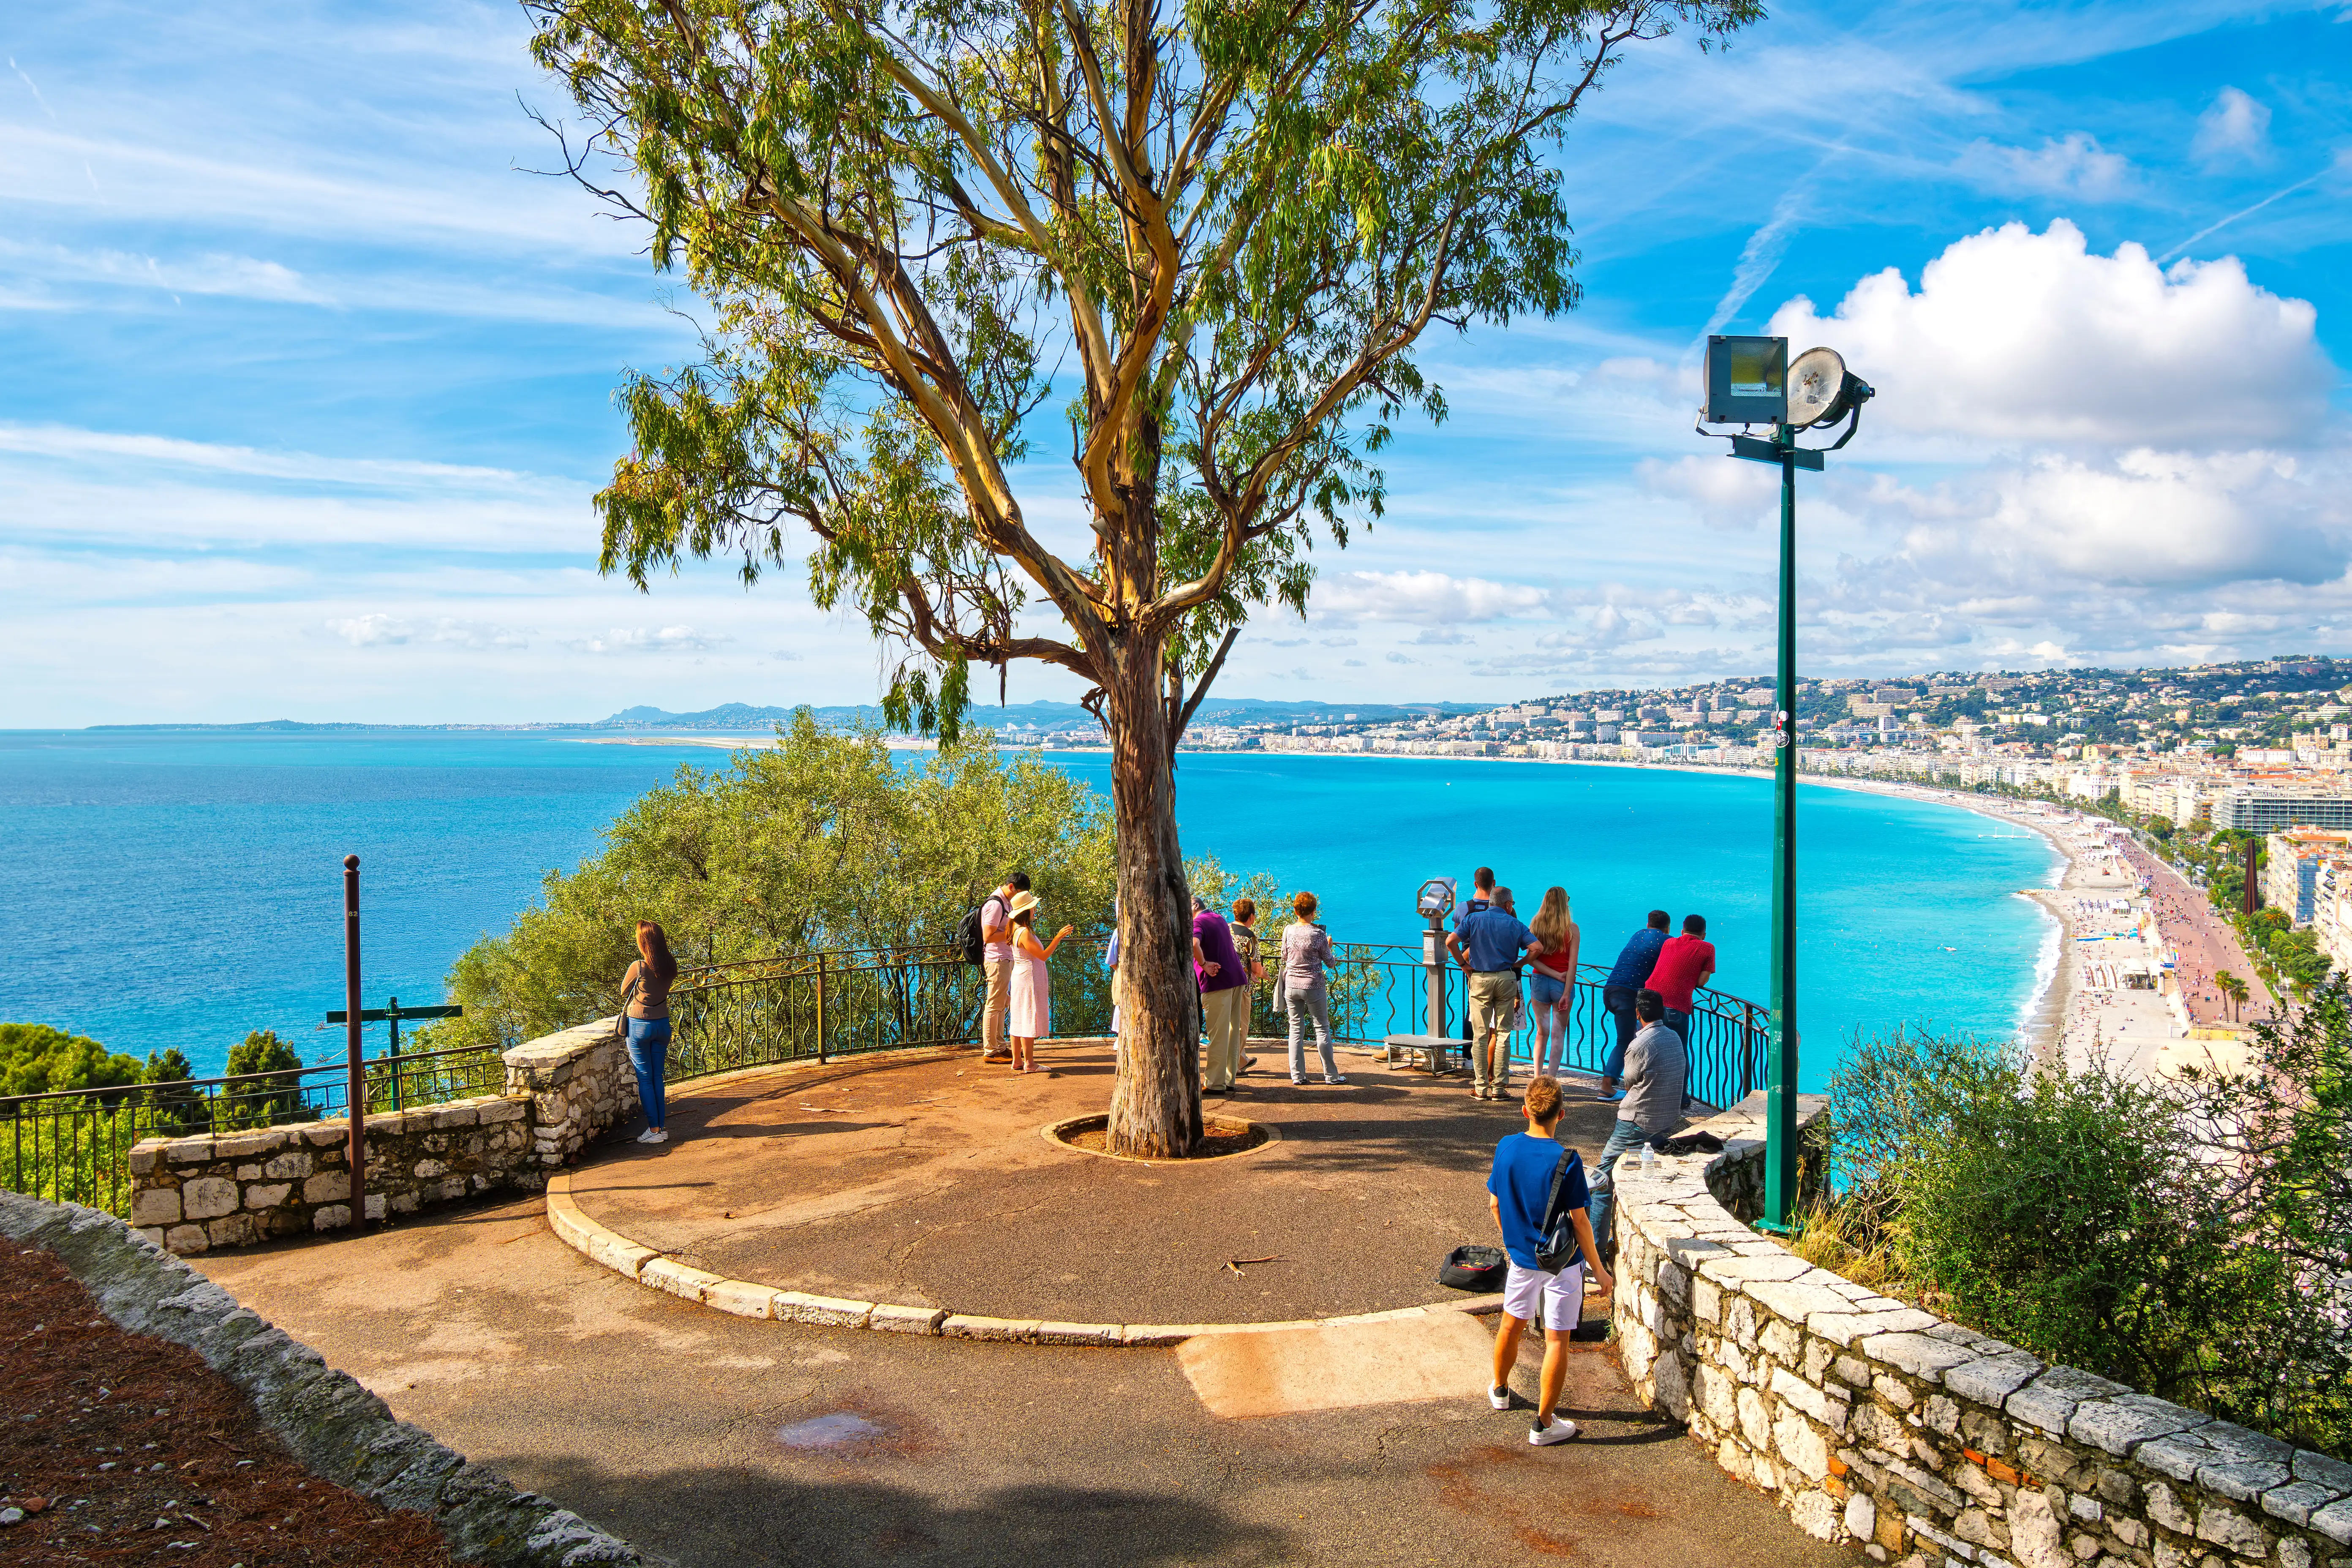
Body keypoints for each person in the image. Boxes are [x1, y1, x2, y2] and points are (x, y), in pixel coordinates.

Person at [1485, 1076, 1613, 1445]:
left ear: (1525, 1111)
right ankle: (1543, 1424)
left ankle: (1500, 1389)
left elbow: (1495, 1203)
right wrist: (1600, 1271)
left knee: (1512, 1324)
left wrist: (1512, 1244)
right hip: (1564, 1263)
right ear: (1562, 1114)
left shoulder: (1506, 1148)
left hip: (1524, 1259)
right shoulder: (1568, 1161)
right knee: (1557, 1340)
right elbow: (1581, 1222)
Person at [1585, 988, 1688, 1258]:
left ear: (1638, 1014)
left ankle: (1594, 1252)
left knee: (1601, 1180)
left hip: (1637, 1120)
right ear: (1663, 1011)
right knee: (1635, 1167)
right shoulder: (1674, 1038)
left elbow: (1630, 1082)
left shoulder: (1640, 1044)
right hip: (1664, 1119)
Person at [1448, 885, 1537, 1100]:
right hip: (1507, 978)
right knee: (1503, 1034)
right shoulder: (1516, 924)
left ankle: (1480, 1088)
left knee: (1480, 1035)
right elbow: (1537, 948)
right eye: (1513, 903)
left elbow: (1451, 942)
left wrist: (1463, 965)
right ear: (1508, 905)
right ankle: (1499, 1089)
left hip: (1479, 978)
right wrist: (1520, 964)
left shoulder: (1473, 920)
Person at [1598, 912, 1669, 1099]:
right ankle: (1607, 1086)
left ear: (1648, 924)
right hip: (1628, 994)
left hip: (1611, 989)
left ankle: (1631, 1083)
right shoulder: (1667, 941)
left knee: (1635, 1037)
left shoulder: (1638, 934)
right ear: (1668, 928)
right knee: (1626, 1041)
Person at [620, 919, 678, 1145]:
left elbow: (624, 990)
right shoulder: (670, 965)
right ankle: (661, 1128)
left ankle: (654, 1130)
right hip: (663, 1024)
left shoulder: (640, 966)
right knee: (658, 1077)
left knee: (645, 1078)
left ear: (643, 942)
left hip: (640, 1026)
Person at [1279, 891, 1346, 1085]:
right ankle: (1331, 1076)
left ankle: (1298, 1077)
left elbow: (1284, 956)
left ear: (1295, 910)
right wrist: (1329, 945)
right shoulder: (1318, 934)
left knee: (1295, 1029)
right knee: (1322, 1029)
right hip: (1314, 985)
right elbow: (1331, 962)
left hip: (1291, 985)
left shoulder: (1288, 930)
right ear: (1314, 912)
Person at [1005, 890, 1074, 1074]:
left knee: (1018, 1018)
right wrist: (1058, 937)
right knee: (1028, 1018)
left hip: (1021, 976)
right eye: (1032, 907)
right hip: (1029, 978)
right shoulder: (1025, 932)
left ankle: (1017, 1061)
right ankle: (1029, 1063)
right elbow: (1043, 956)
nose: (1035, 910)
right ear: (1025, 911)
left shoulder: (1014, 929)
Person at [1194, 896, 1250, 1094]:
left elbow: (1194, 944)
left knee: (1217, 1035)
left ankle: (1214, 1084)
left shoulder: (1198, 921)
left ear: (1194, 906)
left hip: (1218, 981)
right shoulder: (1218, 918)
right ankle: (1229, 1079)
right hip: (1237, 979)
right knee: (1232, 1033)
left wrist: (1203, 964)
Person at [1525, 887, 1580, 1077]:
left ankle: (1537, 1078)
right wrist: (1565, 992)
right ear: (1564, 903)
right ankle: (1551, 1080)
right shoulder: (1572, 929)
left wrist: (1553, 974)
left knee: (1542, 1033)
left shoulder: (1536, 925)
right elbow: (1572, 964)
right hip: (1562, 984)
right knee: (1558, 1035)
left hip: (1539, 981)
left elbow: (1531, 959)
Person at [979, 873, 1030, 1063]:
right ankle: (991, 1051)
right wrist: (1014, 931)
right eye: (1019, 892)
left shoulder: (1006, 903)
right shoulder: (995, 904)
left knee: (1000, 1005)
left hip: (1004, 959)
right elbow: (988, 937)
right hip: (997, 959)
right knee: (994, 1005)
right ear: (1011, 887)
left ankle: (1000, 1047)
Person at [1647, 913, 1716, 1049]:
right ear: (1704, 935)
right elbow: (1701, 982)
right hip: (1675, 1005)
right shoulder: (1708, 948)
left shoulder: (1669, 943)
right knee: (1678, 1053)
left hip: (1649, 1000)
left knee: (1650, 1049)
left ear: (1682, 932)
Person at [1229, 898, 1266, 1079]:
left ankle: (1241, 1060)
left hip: (1222, 983)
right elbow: (1256, 966)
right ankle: (1235, 1066)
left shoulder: (1224, 930)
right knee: (1241, 1025)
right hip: (1242, 986)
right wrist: (1262, 974)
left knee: (1228, 1024)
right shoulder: (1248, 936)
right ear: (1251, 916)